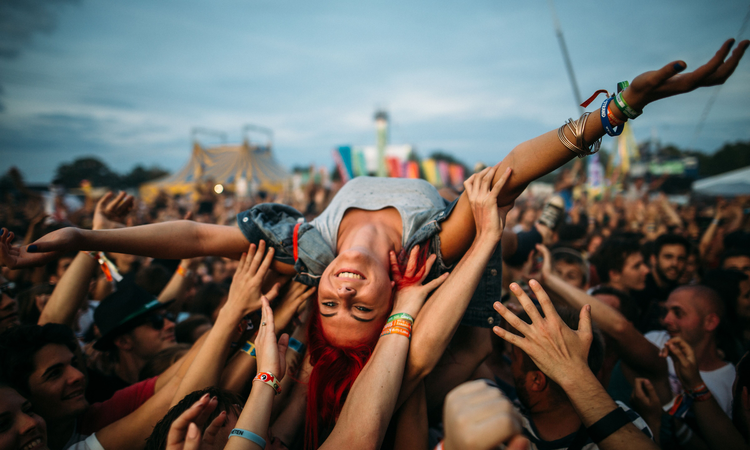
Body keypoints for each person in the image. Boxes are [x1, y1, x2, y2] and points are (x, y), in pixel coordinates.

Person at [2, 38, 748, 446]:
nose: (341, 290)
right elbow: (511, 175)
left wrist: (86, 233)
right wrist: (623, 106)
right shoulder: (430, 243)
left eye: (333, 301)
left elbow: (198, 235)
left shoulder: (311, 248)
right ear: (398, 290)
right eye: (357, 307)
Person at [492, 280, 656, 450]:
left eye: (514, 359)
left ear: (536, 381)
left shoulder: (505, 429)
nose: (510, 365)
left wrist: (572, 371)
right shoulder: (626, 420)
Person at [86, 282, 177, 402]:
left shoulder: (179, 376)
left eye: (168, 316)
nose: (171, 325)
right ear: (124, 342)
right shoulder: (105, 398)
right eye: (156, 320)